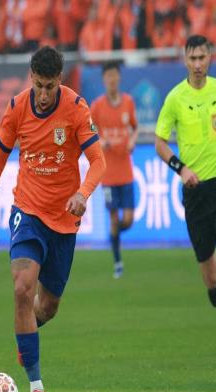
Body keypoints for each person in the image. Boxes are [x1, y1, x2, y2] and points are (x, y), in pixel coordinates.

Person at [0, 46, 106, 392]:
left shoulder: (76, 108)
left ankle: (26, 335)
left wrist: (83, 193)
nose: (43, 95)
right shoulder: (16, 109)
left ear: (60, 80)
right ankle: (37, 391)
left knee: (48, 306)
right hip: (27, 212)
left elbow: (98, 161)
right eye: (38, 85)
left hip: (64, 220)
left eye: (50, 87)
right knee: (22, 288)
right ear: (31, 78)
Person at [155, 35, 216, 363]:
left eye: (202, 57)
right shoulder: (174, 99)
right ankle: (214, 288)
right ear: (185, 60)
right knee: (211, 277)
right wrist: (181, 169)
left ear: (210, 58)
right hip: (195, 195)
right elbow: (160, 143)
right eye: (193, 58)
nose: (198, 64)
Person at [90, 61, 138, 279]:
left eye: (114, 75)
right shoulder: (97, 106)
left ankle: (114, 236)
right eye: (108, 75)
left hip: (126, 171)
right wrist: (100, 142)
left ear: (119, 77)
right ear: (104, 79)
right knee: (113, 217)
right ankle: (118, 262)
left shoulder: (128, 102)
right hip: (108, 174)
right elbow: (89, 131)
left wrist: (133, 141)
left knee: (127, 220)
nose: (112, 79)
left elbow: (135, 128)